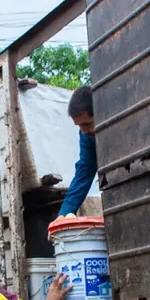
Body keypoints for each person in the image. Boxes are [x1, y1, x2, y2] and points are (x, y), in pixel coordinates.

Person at [56, 85, 97, 220]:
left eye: (86, 124)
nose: (83, 131)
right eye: (79, 126)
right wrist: (63, 214)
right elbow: (84, 172)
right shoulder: (87, 136)